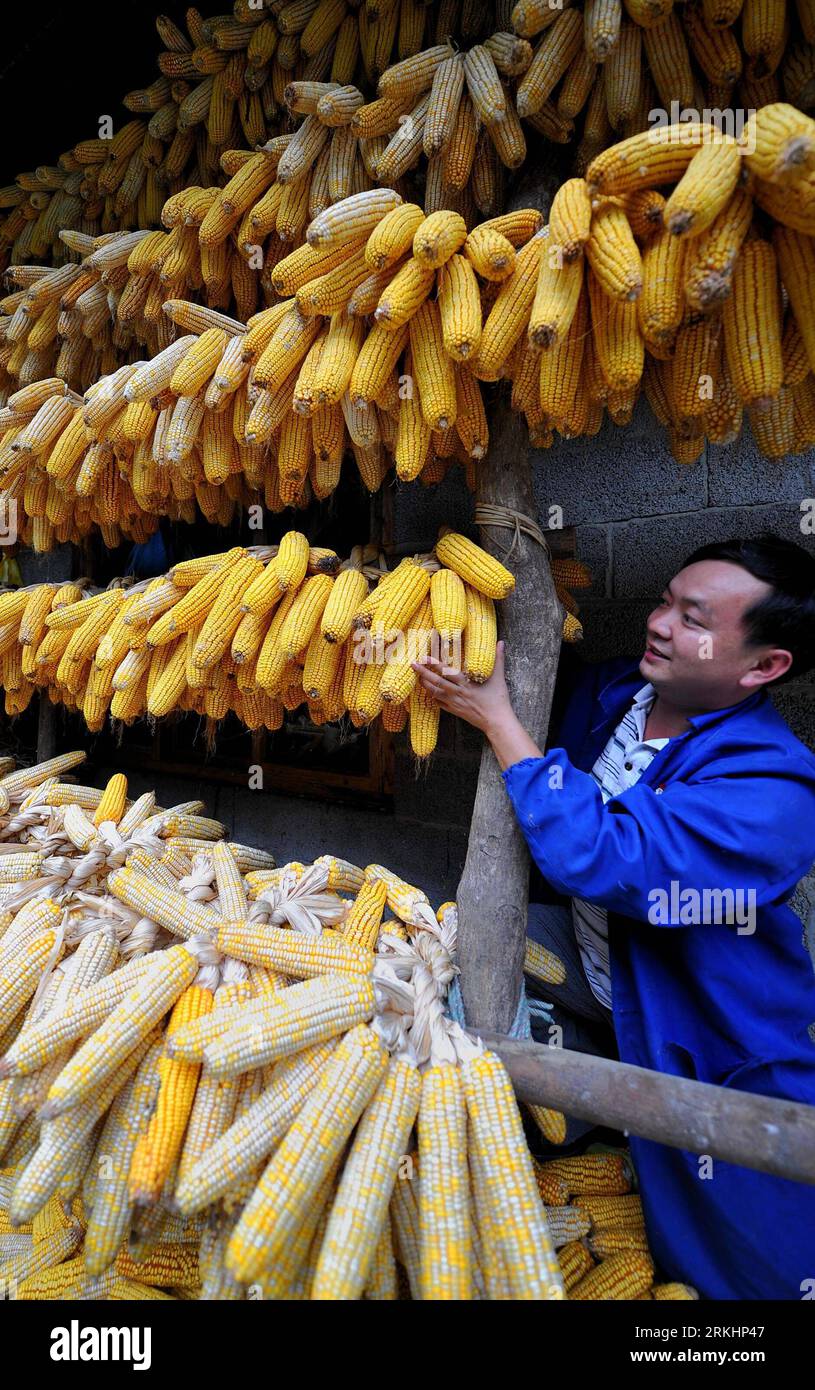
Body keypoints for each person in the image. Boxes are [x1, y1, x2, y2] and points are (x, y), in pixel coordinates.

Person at [412, 534, 815, 1301]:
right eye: (664, 599)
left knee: (742, 1226)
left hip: (703, 1015)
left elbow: (601, 856)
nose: (659, 624)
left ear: (762, 667)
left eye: (692, 617)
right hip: (601, 964)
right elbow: (519, 670)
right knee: (439, 952)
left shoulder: (774, 790)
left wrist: (498, 722)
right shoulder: (616, 696)